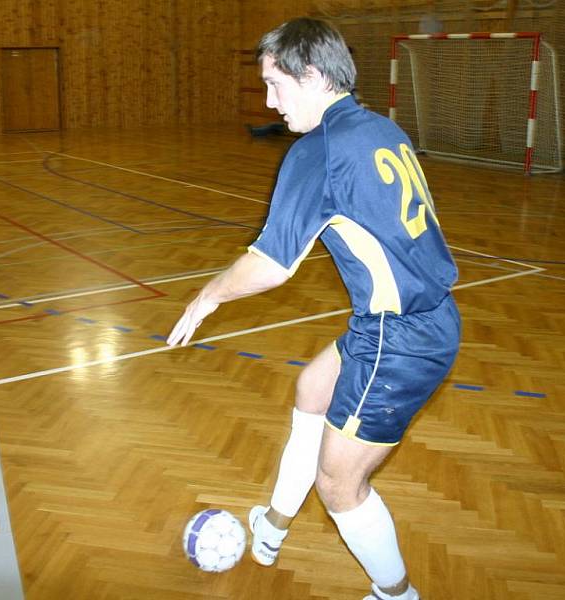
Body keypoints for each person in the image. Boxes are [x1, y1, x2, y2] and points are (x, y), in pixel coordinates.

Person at [168, 17, 460, 600]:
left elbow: (273, 265)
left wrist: (208, 296)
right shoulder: (382, 128)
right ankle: (273, 525)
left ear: (313, 75)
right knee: (312, 390)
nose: (270, 102)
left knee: (339, 484)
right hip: (419, 318)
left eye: (276, 84)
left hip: (397, 339)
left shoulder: (318, 149)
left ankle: (396, 594)